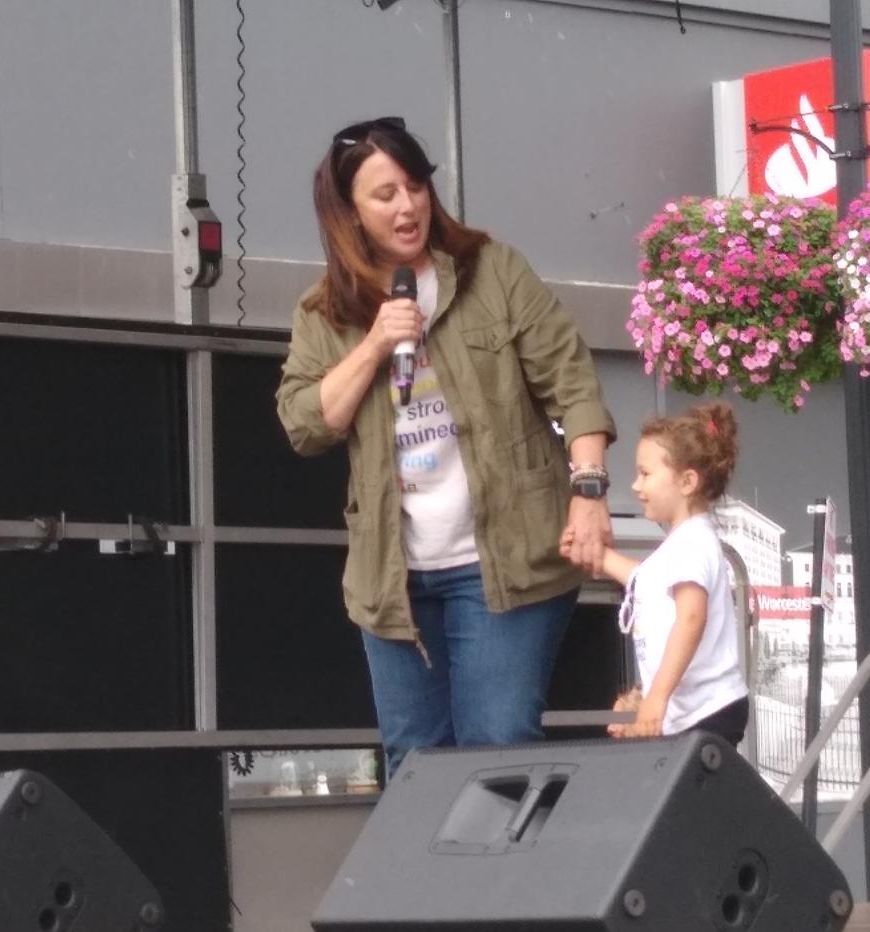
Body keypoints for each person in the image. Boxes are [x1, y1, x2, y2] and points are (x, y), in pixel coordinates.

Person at [276, 116, 616, 775]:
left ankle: (507, 881)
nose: (407, 206)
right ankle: (430, 883)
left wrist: (590, 490)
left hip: (506, 564)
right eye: (385, 195)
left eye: (415, 185)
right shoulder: (324, 313)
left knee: (497, 747)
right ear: (349, 213)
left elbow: (571, 381)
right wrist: (377, 342)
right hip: (395, 580)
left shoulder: (493, 271)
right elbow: (305, 424)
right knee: (414, 765)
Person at [561, 402, 748, 747]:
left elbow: (691, 617)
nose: (635, 485)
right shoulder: (678, 546)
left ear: (687, 481)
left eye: (645, 474)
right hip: (692, 712)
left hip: (706, 712)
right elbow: (642, 578)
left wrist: (657, 697)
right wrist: (594, 555)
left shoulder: (692, 543)